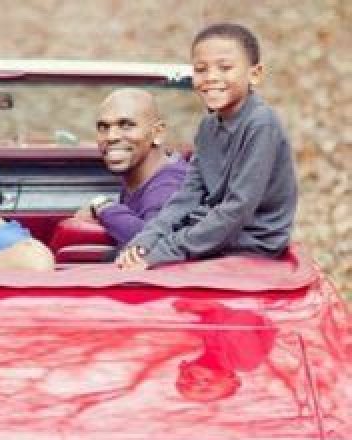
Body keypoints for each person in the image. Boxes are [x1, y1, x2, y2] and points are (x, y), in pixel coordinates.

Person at [116, 23, 297, 270]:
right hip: (213, 234)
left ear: (254, 74)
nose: (211, 77)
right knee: (121, 258)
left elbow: (238, 208)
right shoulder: (208, 126)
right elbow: (189, 193)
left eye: (225, 68)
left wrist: (165, 251)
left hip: (251, 244)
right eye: (201, 69)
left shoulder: (261, 124)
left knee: (152, 271)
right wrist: (147, 239)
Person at [75, 88, 187, 255]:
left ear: (158, 133)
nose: (111, 136)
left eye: (126, 125)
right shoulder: (140, 175)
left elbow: (154, 244)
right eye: (103, 127)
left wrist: (104, 207)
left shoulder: (169, 185)